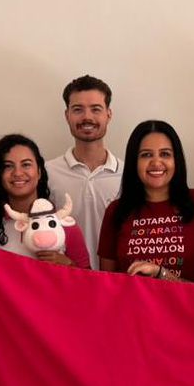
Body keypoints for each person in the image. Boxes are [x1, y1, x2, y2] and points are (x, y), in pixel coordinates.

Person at [99, 120, 194, 281]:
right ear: (134, 161)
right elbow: (107, 283)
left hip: (191, 299)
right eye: (146, 155)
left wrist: (162, 274)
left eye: (165, 154)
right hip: (131, 299)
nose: (156, 163)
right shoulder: (116, 211)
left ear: (176, 160)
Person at [0, 134, 90, 268]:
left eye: (26, 164)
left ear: (39, 172)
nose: (18, 173)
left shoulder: (64, 223)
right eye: (8, 166)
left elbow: (90, 279)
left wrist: (67, 264)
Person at [46, 75, 122, 268]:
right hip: (64, 281)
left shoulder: (129, 175)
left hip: (115, 282)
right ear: (67, 115)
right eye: (78, 109)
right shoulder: (46, 173)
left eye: (96, 109)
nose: (87, 117)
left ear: (109, 114)